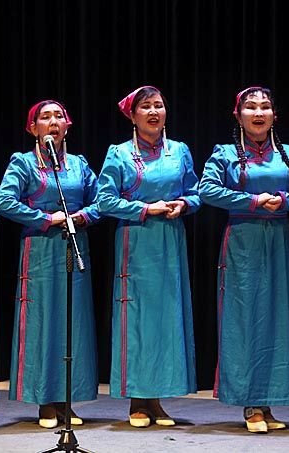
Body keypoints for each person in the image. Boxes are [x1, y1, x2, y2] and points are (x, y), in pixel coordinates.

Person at [199, 87, 289, 433]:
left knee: (277, 319)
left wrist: (284, 200)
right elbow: (207, 190)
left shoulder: (288, 153)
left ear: (274, 116)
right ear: (238, 116)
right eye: (251, 107)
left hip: (278, 239)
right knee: (245, 319)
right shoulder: (225, 153)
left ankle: (268, 402)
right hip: (243, 241)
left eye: (265, 107)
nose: (258, 113)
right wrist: (252, 201)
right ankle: (250, 403)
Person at [96, 86, 200, 428]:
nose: (153, 112)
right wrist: (145, 208)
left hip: (170, 240)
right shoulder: (119, 153)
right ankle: (137, 400)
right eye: (145, 107)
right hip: (137, 241)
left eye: (158, 105)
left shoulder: (179, 150)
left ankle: (156, 399)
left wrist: (183, 204)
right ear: (133, 115)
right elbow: (105, 200)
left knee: (166, 318)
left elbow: (196, 192)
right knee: (138, 318)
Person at [0, 100, 101, 428]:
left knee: (72, 322)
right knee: (44, 322)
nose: (53, 122)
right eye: (45, 117)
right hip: (40, 250)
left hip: (74, 245)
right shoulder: (23, 163)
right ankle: (45, 399)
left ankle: (67, 400)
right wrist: (45, 218)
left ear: (67, 126)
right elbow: (5, 202)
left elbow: (101, 200)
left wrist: (82, 216)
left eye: (59, 116)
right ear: (33, 128)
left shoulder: (79, 164)